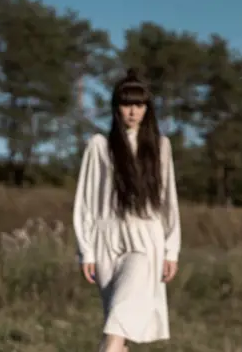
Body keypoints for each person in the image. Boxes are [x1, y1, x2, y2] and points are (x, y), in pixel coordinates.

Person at [72, 68, 182, 352]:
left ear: (147, 108)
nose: (132, 111)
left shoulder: (160, 147)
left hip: (146, 239)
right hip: (105, 238)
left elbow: (168, 200)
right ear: (116, 107)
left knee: (119, 320)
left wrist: (171, 249)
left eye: (139, 104)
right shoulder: (99, 146)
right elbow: (85, 201)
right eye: (126, 104)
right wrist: (86, 250)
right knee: (117, 320)